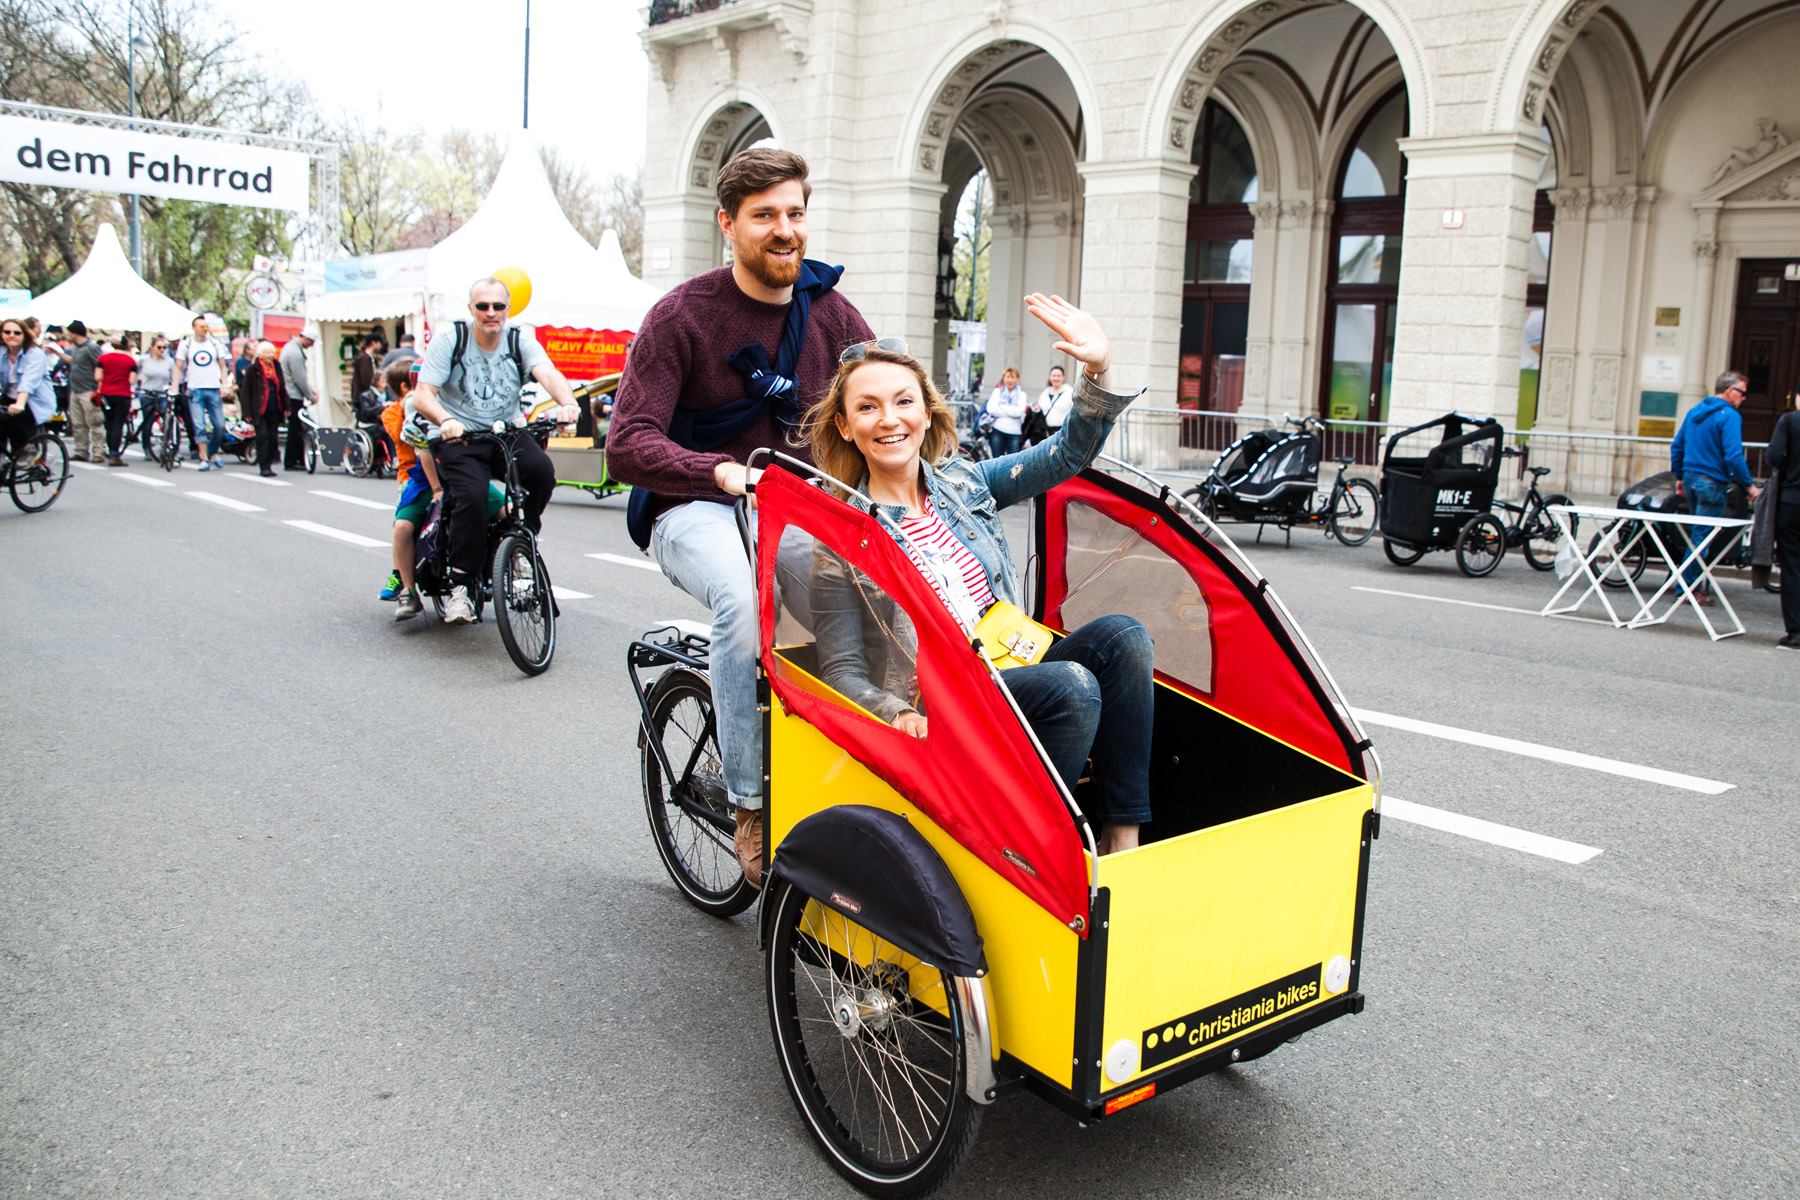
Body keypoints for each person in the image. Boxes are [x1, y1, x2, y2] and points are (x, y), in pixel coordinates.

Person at [607, 147, 875, 887]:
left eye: (794, 213)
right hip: (693, 504)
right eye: (764, 216)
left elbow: (887, 394)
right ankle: (749, 803)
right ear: (728, 225)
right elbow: (626, 444)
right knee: (741, 602)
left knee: (865, 607)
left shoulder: (834, 312)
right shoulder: (681, 317)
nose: (784, 230)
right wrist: (717, 469)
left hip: (795, 504)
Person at [805, 294, 1152, 854]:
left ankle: (1122, 838)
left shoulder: (966, 483)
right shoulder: (841, 538)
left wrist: (1098, 369)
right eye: (868, 408)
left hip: (1015, 668)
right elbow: (842, 667)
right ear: (845, 427)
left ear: (926, 413)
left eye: (903, 402)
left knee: (1123, 638)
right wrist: (895, 711)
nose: (889, 419)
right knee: (1072, 687)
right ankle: (1033, 846)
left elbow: (1065, 457)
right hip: (946, 705)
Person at [409, 277, 579, 624]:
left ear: (508, 309)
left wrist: (568, 403)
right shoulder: (452, 340)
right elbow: (422, 394)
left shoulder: (519, 341)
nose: (491, 313)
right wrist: (445, 419)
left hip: (506, 432)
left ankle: (521, 543)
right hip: (460, 436)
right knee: (470, 496)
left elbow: (547, 372)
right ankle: (461, 585)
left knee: (542, 472)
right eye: (482, 306)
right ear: (471, 309)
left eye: (497, 306)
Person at [1671, 370, 1761, 604]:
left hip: (1691, 478)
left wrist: (1680, 476)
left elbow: (1677, 446)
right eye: (1742, 392)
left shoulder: (1694, 412)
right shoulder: (1729, 416)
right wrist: (1749, 485)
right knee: (1703, 538)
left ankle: (1685, 582)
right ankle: (1687, 588)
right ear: (1730, 391)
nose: (1744, 398)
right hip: (1711, 481)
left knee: (1697, 535)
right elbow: (1733, 455)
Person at [173, 314, 232, 471]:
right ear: (194, 328)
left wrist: (224, 384)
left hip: (213, 388)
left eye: (206, 326)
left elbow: (222, 365)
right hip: (195, 388)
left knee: (219, 425)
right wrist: (174, 386)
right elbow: (179, 367)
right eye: (201, 327)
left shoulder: (214, 343)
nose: (205, 329)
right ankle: (204, 457)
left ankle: (211, 452)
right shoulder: (187, 344)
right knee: (199, 425)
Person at [1764, 400, 1800, 649]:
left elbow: (1773, 456)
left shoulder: (1789, 421)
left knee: (1792, 566)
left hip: (1793, 501)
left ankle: (1796, 632)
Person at [1, 317, 55, 464]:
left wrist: (20, 403)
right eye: (7, 332)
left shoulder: (34, 354)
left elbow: (28, 381)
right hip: (8, 396)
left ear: (25, 334)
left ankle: (28, 449)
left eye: (17, 333)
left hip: (33, 401)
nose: (11, 335)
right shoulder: (2, 352)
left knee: (11, 418)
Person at [240, 340, 288, 478]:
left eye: (272, 352)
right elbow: (245, 392)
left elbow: (282, 388)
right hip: (259, 409)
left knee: (273, 438)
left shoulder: (277, 367)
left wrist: (286, 406)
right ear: (260, 354)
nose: (271, 355)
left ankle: (269, 463)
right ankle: (264, 466)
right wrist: (246, 412)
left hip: (274, 408)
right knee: (263, 437)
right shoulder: (252, 369)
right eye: (267, 352)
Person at [63, 319, 104, 462]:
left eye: (69, 332)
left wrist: (98, 389)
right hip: (75, 389)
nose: (68, 335)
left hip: (88, 389)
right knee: (78, 423)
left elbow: (101, 365)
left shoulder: (91, 347)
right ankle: (81, 451)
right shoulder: (76, 348)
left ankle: (99, 452)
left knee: (94, 422)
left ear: (75, 333)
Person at [95, 333, 138, 466]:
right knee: (118, 424)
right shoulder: (130, 361)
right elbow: (132, 380)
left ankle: (110, 449)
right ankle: (114, 453)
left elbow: (97, 376)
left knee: (109, 423)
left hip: (106, 394)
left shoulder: (103, 358)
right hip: (122, 394)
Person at [279, 327, 318, 470]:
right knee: (296, 428)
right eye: (312, 342)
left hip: (290, 393)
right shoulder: (295, 353)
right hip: (293, 395)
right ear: (306, 339)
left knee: (296, 428)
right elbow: (299, 378)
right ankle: (292, 460)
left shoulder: (290, 348)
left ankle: (296, 459)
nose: (312, 345)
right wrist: (310, 395)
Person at [136, 336, 175, 459]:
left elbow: (174, 377)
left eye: (164, 347)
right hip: (148, 393)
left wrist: (173, 389)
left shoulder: (169, 361)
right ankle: (147, 448)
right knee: (148, 421)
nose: (162, 350)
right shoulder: (144, 360)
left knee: (167, 419)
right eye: (159, 347)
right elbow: (136, 373)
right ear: (152, 348)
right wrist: (136, 387)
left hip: (162, 394)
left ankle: (168, 445)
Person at [984, 367, 1028, 456]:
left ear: (1017, 379)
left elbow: (1019, 412)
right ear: (1003, 378)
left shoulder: (1022, 395)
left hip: (1015, 433)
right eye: (1007, 377)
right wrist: (1011, 409)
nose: (1010, 380)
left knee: (1013, 463)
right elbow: (991, 409)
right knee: (996, 461)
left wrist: (1001, 406)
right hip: (997, 430)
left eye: (1012, 377)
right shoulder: (997, 392)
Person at [1035, 364, 1073, 440]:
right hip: (1045, 432)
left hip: (1062, 432)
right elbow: (1039, 409)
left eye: (1058, 376)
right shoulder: (1045, 393)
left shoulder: (1069, 392)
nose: (1056, 378)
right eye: (1053, 375)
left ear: (1063, 377)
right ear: (1050, 377)